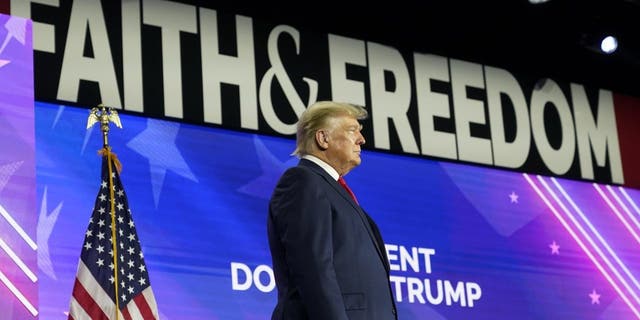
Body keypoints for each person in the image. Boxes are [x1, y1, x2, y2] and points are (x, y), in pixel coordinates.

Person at [267, 101, 397, 319]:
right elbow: (314, 271)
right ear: (323, 138)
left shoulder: (335, 192)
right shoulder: (302, 182)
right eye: (352, 130)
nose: (361, 139)